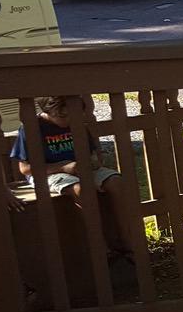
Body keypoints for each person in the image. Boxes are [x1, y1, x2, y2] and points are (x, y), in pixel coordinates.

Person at [9, 94, 140, 257]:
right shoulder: (31, 128)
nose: (68, 120)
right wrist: (63, 167)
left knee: (117, 182)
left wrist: (94, 161)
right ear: (48, 111)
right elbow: (26, 168)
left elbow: (93, 152)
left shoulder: (76, 122)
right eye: (63, 116)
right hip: (50, 172)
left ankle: (126, 239)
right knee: (82, 189)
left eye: (74, 115)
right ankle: (99, 244)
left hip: (80, 167)